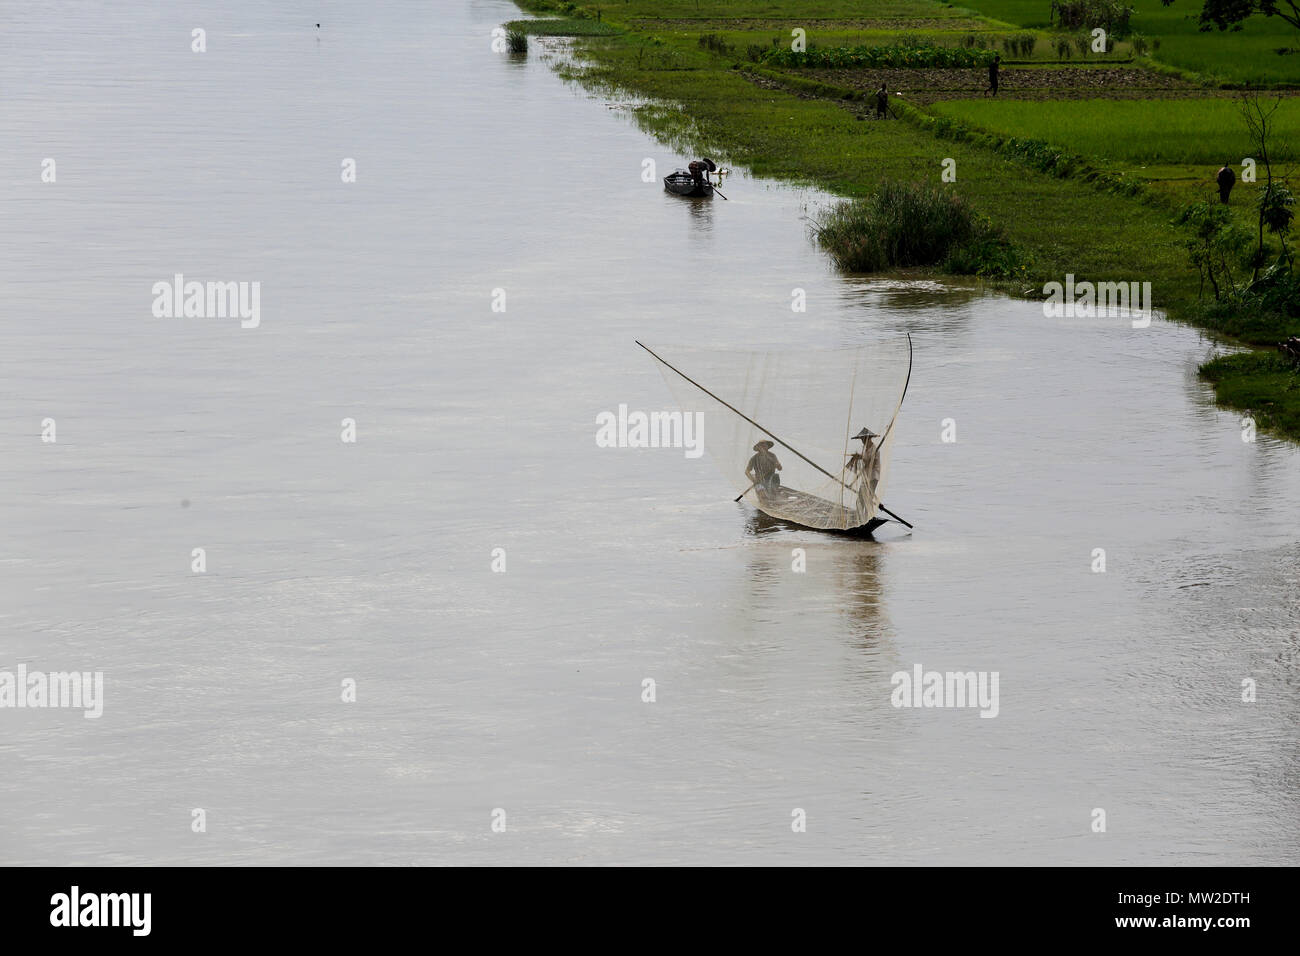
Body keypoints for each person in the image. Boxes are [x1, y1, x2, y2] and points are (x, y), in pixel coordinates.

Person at [846, 427, 882, 514]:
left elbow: (873, 464)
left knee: (868, 499)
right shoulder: (864, 448)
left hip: (873, 477)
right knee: (860, 500)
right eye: (862, 439)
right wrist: (858, 457)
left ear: (869, 438)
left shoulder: (874, 449)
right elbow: (864, 462)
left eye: (864, 439)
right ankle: (859, 517)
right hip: (866, 477)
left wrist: (862, 458)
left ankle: (868, 518)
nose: (863, 441)